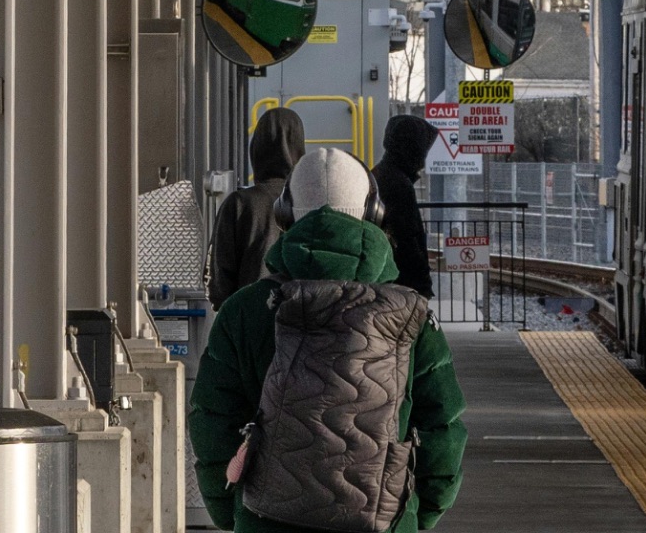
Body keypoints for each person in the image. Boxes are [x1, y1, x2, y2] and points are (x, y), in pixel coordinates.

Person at [190, 146, 466, 533]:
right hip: (383, 521)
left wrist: (231, 509)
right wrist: (419, 514)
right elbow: (442, 426)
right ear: (373, 214)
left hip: (266, 519)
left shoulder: (245, 309)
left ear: (285, 215)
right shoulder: (412, 315)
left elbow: (213, 421)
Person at [208, 106, 306, 309]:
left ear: (257, 149)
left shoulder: (240, 204)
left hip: (249, 321)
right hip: (303, 325)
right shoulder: (313, 202)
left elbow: (220, 283)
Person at [372, 114, 439, 300]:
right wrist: (422, 284)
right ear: (412, 148)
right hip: (402, 287)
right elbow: (407, 238)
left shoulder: (380, 174)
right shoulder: (398, 184)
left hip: (385, 280)